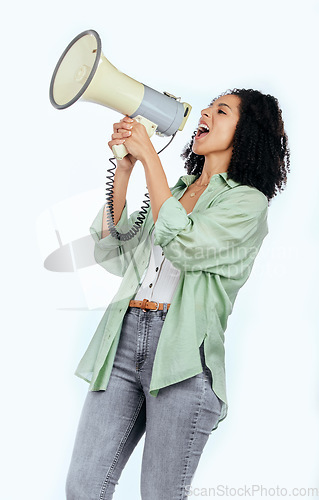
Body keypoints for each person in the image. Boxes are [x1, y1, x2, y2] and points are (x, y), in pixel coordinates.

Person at [66, 88, 290, 499]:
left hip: (184, 359)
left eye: (220, 111)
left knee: (159, 494)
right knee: (83, 487)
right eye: (207, 107)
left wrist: (151, 157)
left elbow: (185, 244)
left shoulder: (247, 204)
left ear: (246, 133)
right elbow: (113, 252)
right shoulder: (175, 190)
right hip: (123, 338)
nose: (205, 113)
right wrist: (127, 169)